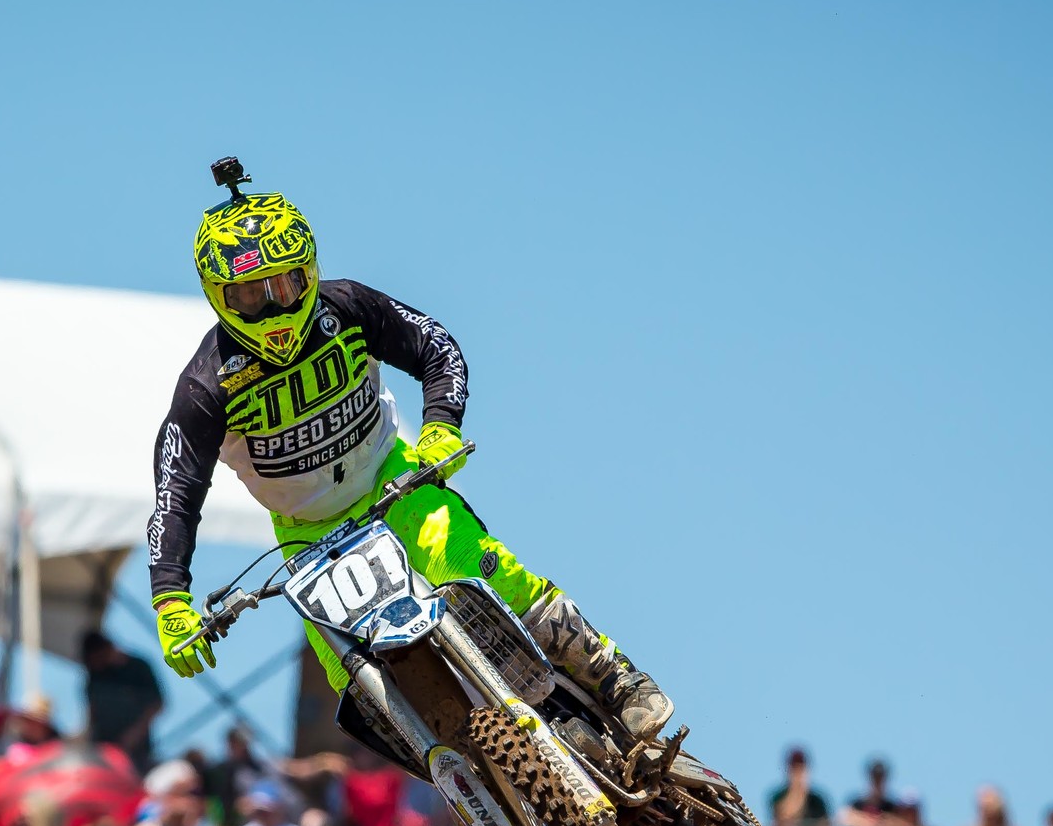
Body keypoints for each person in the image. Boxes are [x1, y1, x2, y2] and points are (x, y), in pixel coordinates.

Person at [147, 164, 672, 746]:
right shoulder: (205, 388)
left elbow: (436, 347)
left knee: (480, 569)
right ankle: (470, 783)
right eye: (251, 294)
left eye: (286, 285)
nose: (273, 309)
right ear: (218, 296)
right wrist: (171, 599)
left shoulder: (345, 307)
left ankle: (615, 677)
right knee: (357, 687)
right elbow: (175, 496)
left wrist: (441, 428)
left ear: (309, 271)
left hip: (395, 481)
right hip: (307, 538)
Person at [81, 629, 164, 775]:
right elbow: (91, 710)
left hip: (136, 748)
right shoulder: (94, 676)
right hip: (102, 747)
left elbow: (156, 703)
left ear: (106, 649)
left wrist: (135, 734)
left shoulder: (138, 667)